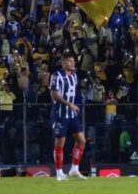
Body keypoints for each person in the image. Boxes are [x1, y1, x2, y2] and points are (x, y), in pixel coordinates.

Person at [50, 52, 86, 181]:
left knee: (81, 141)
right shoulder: (56, 76)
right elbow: (54, 95)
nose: (72, 63)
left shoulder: (74, 76)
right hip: (60, 114)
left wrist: (74, 105)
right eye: (70, 61)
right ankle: (59, 173)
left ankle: (74, 169)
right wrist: (69, 104)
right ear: (63, 62)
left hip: (71, 114)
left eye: (73, 61)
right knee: (60, 143)